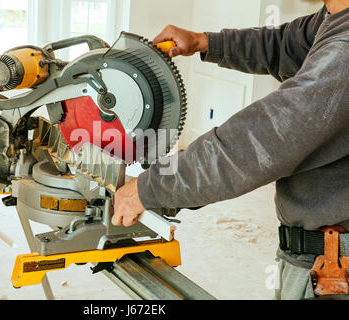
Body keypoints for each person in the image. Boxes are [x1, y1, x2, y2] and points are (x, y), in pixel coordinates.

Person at [112, 0, 349, 299]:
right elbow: (282, 44)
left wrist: (151, 187)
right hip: (320, 251)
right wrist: (204, 42)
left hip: (335, 267)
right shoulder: (335, 16)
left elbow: (263, 138)